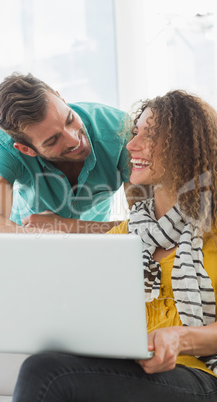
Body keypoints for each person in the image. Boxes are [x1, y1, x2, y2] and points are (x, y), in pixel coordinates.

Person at [12, 90, 217, 401]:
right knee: (47, 366)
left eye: (151, 136)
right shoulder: (123, 237)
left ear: (185, 147)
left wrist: (181, 338)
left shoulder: (211, 231)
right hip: (136, 371)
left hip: (202, 374)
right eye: (135, 134)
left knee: (45, 373)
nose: (132, 145)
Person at [0, 72, 130, 234]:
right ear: (26, 149)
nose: (74, 140)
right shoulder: (2, 147)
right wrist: (45, 238)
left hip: (98, 246)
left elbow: (147, 225)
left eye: (70, 119)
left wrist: (65, 226)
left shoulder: (120, 130)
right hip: (29, 246)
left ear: (61, 99)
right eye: (53, 140)